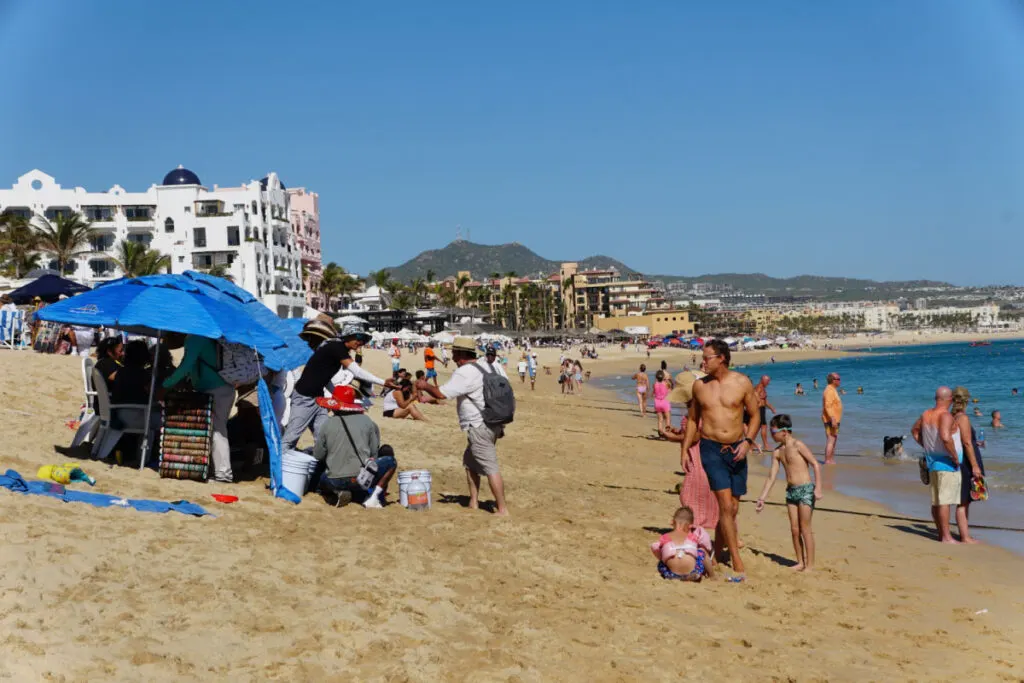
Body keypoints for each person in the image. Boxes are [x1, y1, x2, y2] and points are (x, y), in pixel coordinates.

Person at [681, 339, 759, 578]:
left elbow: (755, 416)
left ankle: (717, 549)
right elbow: (693, 419)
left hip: (737, 449)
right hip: (711, 448)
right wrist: (684, 449)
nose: (702, 361)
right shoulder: (699, 386)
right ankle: (736, 560)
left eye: (707, 357)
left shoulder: (742, 383)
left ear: (721, 358)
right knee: (724, 506)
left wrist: (748, 442)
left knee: (733, 508)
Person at [416, 336, 510, 515]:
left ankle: (502, 509)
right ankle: (473, 502)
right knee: (470, 463)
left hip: (478, 425)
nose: (451, 356)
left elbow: (443, 393)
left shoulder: (466, 371)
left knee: (490, 466)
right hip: (493, 422)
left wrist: (424, 385)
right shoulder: (488, 366)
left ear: (460, 354)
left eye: (453, 352)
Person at [282, 322, 394, 450]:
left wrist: (336, 396)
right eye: (358, 338)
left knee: (324, 437)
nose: (360, 342)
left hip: (319, 398)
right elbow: (357, 371)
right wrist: (383, 382)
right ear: (348, 336)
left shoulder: (338, 349)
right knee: (291, 437)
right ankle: (279, 467)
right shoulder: (336, 347)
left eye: (363, 340)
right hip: (304, 397)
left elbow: (325, 378)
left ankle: (322, 466)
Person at [162, 335, 237, 483]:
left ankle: (223, 474)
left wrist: (166, 384)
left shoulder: (195, 338)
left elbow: (186, 365)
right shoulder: (206, 337)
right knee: (213, 430)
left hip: (216, 389)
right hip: (220, 388)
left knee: (217, 430)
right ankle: (213, 470)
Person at [754, 414, 823, 571]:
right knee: (794, 529)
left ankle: (810, 565)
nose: (771, 435)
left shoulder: (798, 445)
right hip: (791, 492)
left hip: (805, 490)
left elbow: (815, 464)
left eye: (773, 432)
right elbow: (772, 476)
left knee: (805, 528)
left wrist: (818, 488)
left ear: (784, 431)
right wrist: (762, 498)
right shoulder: (777, 452)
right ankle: (800, 562)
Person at [312, 385, 397, 509]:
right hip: (360, 480)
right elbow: (373, 455)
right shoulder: (367, 421)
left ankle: (334, 492)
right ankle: (374, 497)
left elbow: (318, 455)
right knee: (391, 461)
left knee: (322, 475)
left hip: (335, 480)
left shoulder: (327, 423)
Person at [911, 387, 963, 544]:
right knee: (945, 501)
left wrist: (927, 446)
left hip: (932, 461)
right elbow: (946, 438)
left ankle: (941, 534)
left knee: (937, 500)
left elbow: (914, 431)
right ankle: (946, 537)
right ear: (950, 399)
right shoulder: (945, 415)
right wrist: (954, 457)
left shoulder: (926, 414)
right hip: (946, 463)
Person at [951, 387, 984, 544]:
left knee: (964, 499)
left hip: (960, 458)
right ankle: (965, 536)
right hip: (966, 461)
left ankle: (965, 534)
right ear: (966, 401)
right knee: (964, 500)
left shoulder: (951, 416)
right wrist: (975, 465)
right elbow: (966, 442)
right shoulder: (962, 417)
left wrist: (974, 441)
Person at [649, 506, 713, 582]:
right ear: (690, 526)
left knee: (661, 561)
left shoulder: (665, 537)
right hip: (693, 571)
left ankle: (672, 576)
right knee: (702, 551)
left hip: (671, 573)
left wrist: (663, 557)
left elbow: (654, 546)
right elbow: (706, 544)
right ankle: (712, 576)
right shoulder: (693, 536)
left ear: (672, 522)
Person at [821, 372, 843, 464]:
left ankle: (831, 460)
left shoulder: (832, 389)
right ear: (833, 380)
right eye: (838, 379)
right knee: (831, 440)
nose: (840, 381)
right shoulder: (829, 391)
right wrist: (832, 418)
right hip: (831, 419)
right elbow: (827, 406)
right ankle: (828, 460)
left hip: (833, 419)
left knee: (833, 440)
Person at [754, 375, 775, 451]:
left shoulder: (762, 388)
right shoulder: (759, 387)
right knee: (763, 426)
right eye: (767, 381)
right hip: (759, 409)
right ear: (762, 380)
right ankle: (766, 445)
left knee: (759, 427)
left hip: (762, 409)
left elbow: (765, 401)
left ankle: (750, 443)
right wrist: (758, 401)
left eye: (769, 381)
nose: (768, 383)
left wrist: (771, 408)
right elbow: (754, 394)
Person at [653, 370, 672, 435]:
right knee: (667, 418)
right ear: (663, 377)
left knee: (660, 419)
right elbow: (670, 391)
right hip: (665, 402)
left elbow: (654, 393)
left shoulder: (655, 384)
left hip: (657, 403)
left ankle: (660, 431)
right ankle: (667, 432)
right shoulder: (666, 384)